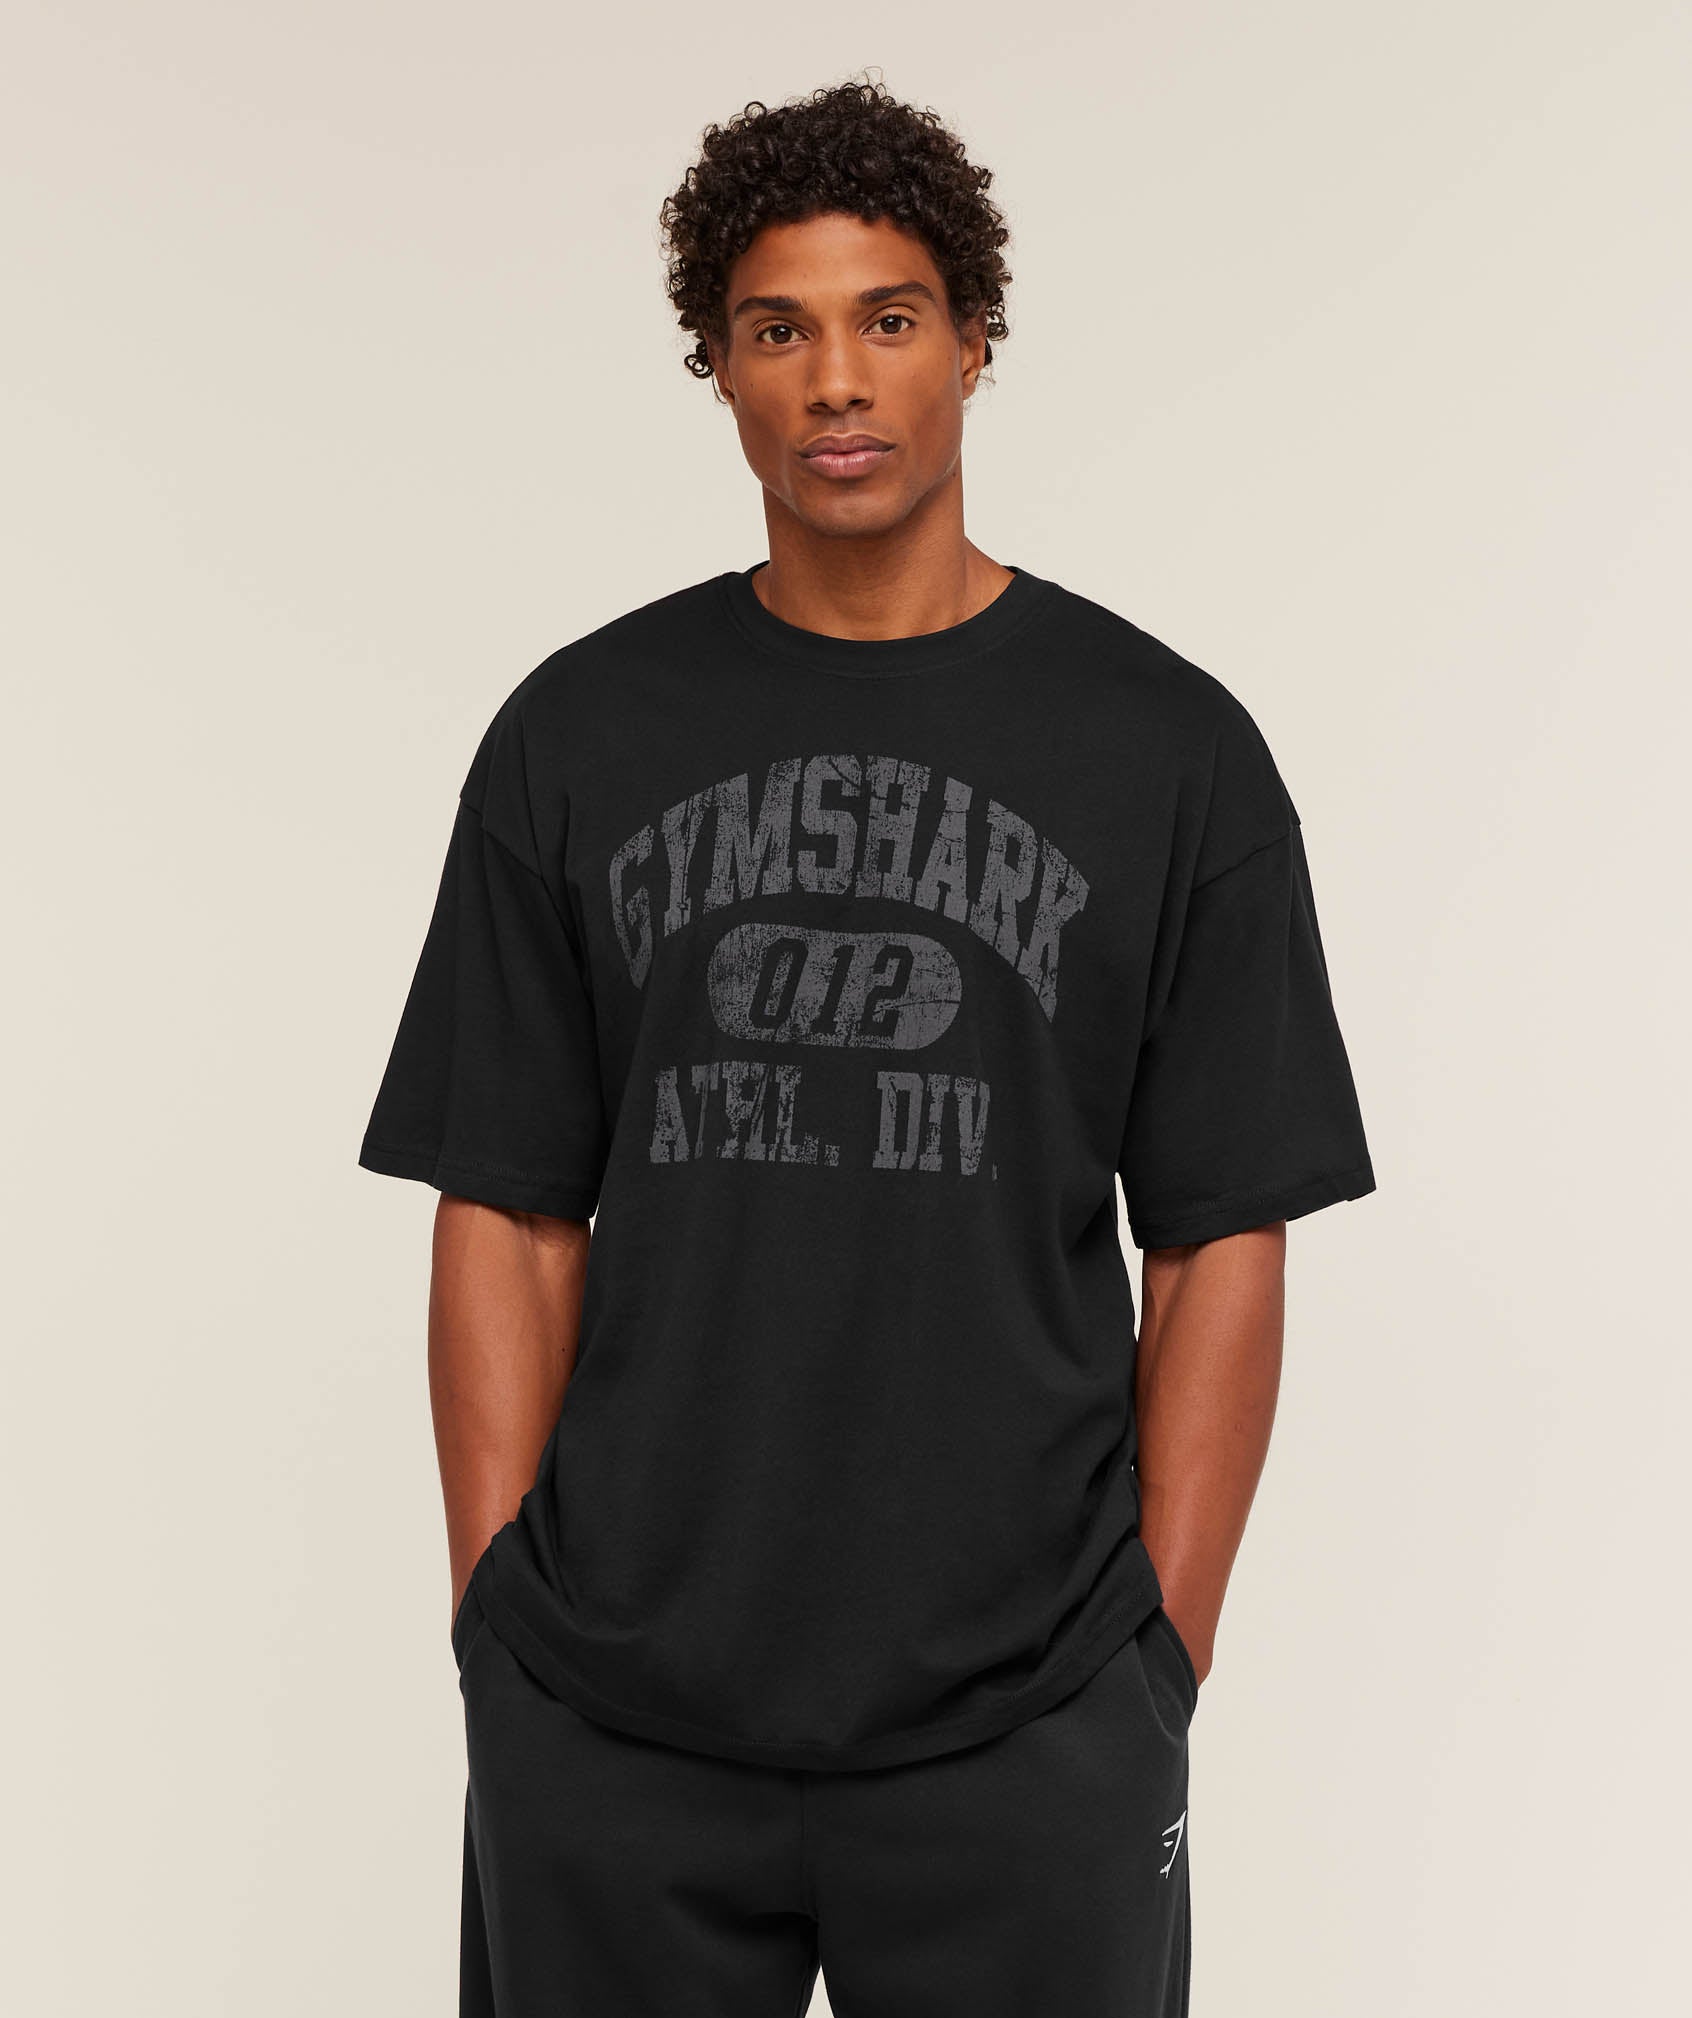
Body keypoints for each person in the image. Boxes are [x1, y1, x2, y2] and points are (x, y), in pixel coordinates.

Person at [357, 74, 1375, 2018]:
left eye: (888, 317)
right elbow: (508, 1207)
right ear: (720, 368)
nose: (837, 378)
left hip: (1032, 1715)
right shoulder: (578, 735)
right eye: (778, 329)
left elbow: (1220, 1234)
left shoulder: (1168, 753)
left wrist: (1155, 1660)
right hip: (618, 1710)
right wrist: (497, 1627)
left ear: (973, 340)